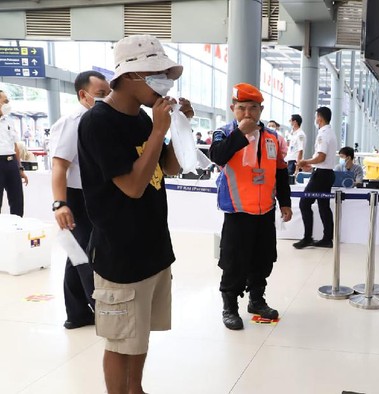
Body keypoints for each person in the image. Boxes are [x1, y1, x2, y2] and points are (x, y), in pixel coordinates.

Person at [77, 34, 193, 394]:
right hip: (120, 254)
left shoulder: (144, 118)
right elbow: (132, 186)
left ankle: (135, 388)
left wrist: (175, 129)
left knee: (138, 335)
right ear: (129, 77)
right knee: (119, 340)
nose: (164, 83)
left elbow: (167, 168)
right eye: (155, 74)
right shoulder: (99, 123)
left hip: (153, 247)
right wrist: (159, 130)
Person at [209, 83, 292, 330]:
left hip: (265, 211)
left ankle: (256, 300)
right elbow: (217, 156)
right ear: (233, 108)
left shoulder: (274, 138)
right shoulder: (224, 133)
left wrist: (285, 203)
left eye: (253, 108)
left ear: (261, 109)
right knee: (234, 261)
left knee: (263, 259)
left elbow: (280, 172)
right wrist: (240, 134)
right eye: (242, 108)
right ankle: (230, 307)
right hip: (237, 211)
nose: (248, 114)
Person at [50, 70, 110, 330]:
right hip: (76, 197)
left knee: (77, 253)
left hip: (95, 195)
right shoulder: (72, 122)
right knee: (87, 255)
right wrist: (60, 204)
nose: (106, 98)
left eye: (108, 93)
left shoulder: (101, 120)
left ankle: (76, 313)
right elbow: (59, 167)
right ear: (83, 95)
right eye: (100, 94)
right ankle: (100, 310)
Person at [294, 106, 337, 249]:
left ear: (320, 117)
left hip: (321, 175)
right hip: (327, 174)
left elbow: (321, 156)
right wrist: (311, 165)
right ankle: (327, 238)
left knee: (304, 203)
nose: (315, 119)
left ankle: (307, 238)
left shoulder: (323, 134)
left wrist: (306, 161)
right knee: (323, 206)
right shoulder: (330, 132)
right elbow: (322, 159)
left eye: (316, 116)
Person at [0, 90, 28, 216]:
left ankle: (18, 229)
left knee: (17, 201)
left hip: (11, 164)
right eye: (5, 101)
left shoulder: (9, 121)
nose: (7, 103)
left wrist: (20, 168)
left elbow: (15, 145)